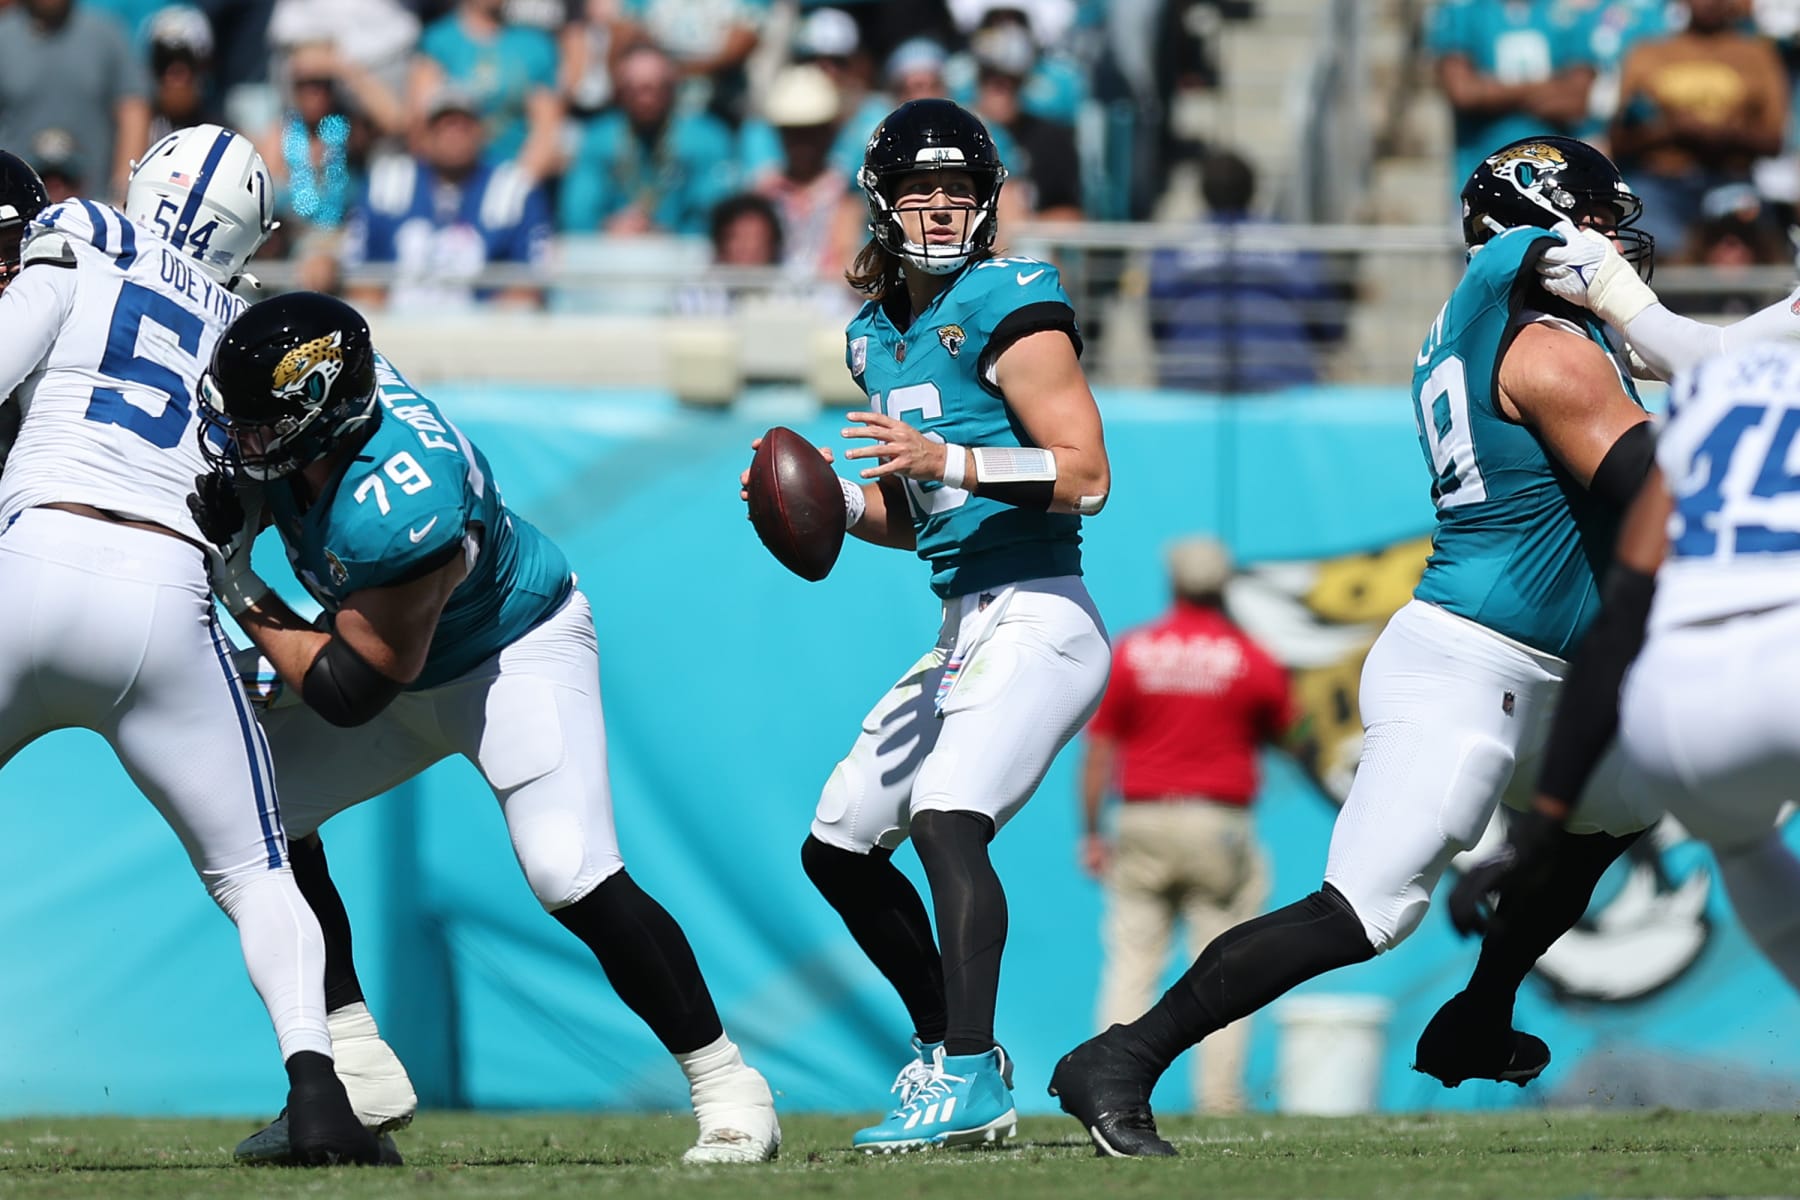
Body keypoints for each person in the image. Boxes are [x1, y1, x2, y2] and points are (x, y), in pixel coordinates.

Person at [1048, 134, 1683, 1156]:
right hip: (1475, 663)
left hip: (1548, 669)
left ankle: (1482, 1009)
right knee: (1367, 911)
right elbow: (1663, 491)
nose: (1614, 244)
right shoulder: (1547, 347)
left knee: (1607, 818)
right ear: (1536, 235)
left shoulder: (1515, 330)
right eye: (1596, 222)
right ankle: (1121, 1056)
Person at [190, 291, 781, 1168]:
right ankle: (355, 1064)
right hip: (397, 647)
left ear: (326, 412)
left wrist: (239, 583)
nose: (244, 445)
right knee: (252, 812)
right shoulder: (326, 422)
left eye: (262, 428)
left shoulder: (400, 496)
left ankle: (730, 1085)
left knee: (568, 870)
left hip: (508, 653)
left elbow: (354, 687)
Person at [0, 131, 381, 1166]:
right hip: (168, 592)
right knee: (260, 872)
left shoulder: (77, 230)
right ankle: (318, 1099)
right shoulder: (252, 331)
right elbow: (242, 510)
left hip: (34, 552)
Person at [739, 98, 1112, 1152]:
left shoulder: (1012, 300)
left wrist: (946, 460)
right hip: (966, 618)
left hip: (1042, 609)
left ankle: (970, 1075)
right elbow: (921, 521)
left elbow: (1088, 474)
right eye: (921, 189)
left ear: (988, 201)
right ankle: (947, 1047)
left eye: (959, 189)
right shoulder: (873, 337)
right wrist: (825, 506)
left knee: (948, 816)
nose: (941, 208)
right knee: (842, 846)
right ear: (881, 199)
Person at [1448, 340, 1800, 995]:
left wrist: (1541, 828)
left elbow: (1622, 620)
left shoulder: (1713, 390)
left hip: (1685, 707)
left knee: (1745, 850)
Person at [1079, 536, 1292, 1116]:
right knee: (1224, 967)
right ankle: (1219, 1099)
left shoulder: (1135, 650)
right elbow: (1283, 726)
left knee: (1131, 964)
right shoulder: (1248, 654)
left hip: (1142, 817)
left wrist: (1091, 831)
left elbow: (1100, 748)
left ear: (1172, 583)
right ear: (1223, 586)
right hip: (1217, 823)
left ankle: (1106, 1086)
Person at [1147, 149, 1345, 393]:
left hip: (1188, 380)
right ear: (1253, 191)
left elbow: (1156, 325)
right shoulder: (1294, 244)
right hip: (1285, 383)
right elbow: (1330, 325)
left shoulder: (1173, 249)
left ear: (1203, 193)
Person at [339, 85, 552, 311]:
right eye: (444, 126)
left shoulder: (513, 189)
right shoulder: (386, 182)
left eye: (463, 126)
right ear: (425, 135)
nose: (453, 135)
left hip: (483, 333)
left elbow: (531, 283)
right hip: (398, 327)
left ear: (481, 133)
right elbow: (358, 272)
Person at [558, 42, 737, 236]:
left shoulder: (707, 138)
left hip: (685, 256)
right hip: (611, 252)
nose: (646, 99)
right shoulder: (597, 138)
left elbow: (715, 211)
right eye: (635, 90)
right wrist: (607, 229)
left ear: (672, 89)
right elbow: (577, 212)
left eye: (655, 88)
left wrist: (669, 236)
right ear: (620, 92)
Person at [0, 0, 152, 204]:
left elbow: (133, 109)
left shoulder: (106, 34)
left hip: (95, 209)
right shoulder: (4, 37)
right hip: (17, 213)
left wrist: (123, 193)